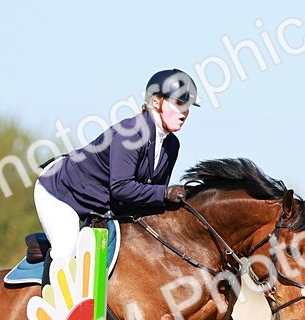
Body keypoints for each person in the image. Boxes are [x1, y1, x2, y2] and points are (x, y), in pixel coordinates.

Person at [34, 68, 199, 262]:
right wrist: (164, 193)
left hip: (99, 202)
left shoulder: (172, 144)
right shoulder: (131, 132)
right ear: (156, 102)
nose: (184, 112)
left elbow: (150, 196)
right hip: (61, 192)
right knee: (66, 250)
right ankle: (45, 292)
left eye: (187, 106)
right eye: (179, 103)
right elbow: (121, 187)